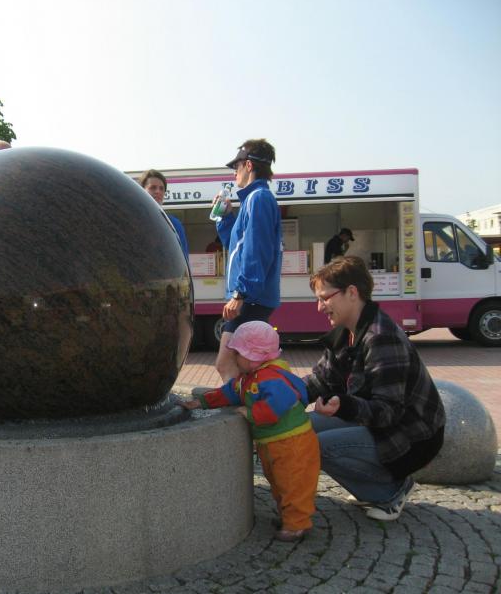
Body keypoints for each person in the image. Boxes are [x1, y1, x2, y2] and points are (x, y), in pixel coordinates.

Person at [304, 256, 445, 521]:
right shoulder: (346, 332)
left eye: (324, 298)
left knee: (316, 446)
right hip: (379, 423)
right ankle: (375, 484)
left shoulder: (381, 337)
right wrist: (280, 394)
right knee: (301, 429)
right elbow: (320, 379)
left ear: (352, 293)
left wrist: (345, 405)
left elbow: (388, 412)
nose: (319, 307)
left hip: (411, 437)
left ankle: (389, 492)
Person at [179, 321, 320, 542]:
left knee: (294, 483)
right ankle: (290, 518)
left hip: (293, 444)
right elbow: (228, 392)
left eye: (238, 353)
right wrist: (202, 402)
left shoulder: (271, 378)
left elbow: (276, 406)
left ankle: (297, 524)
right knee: (279, 482)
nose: (234, 357)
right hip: (275, 443)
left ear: (253, 356)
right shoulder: (249, 377)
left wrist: (250, 412)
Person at [212, 139, 282, 382]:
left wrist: (240, 294)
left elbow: (257, 251)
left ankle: (245, 406)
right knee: (242, 366)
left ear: (249, 165)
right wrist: (225, 217)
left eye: (236, 166)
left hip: (251, 299)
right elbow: (237, 247)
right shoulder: (255, 199)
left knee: (227, 364)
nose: (234, 173)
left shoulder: (257, 199)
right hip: (253, 298)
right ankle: (253, 403)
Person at [138, 169, 189, 260]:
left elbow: (184, 259)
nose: (158, 191)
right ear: (141, 190)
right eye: (153, 187)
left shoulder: (174, 224)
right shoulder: (133, 220)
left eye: (161, 188)